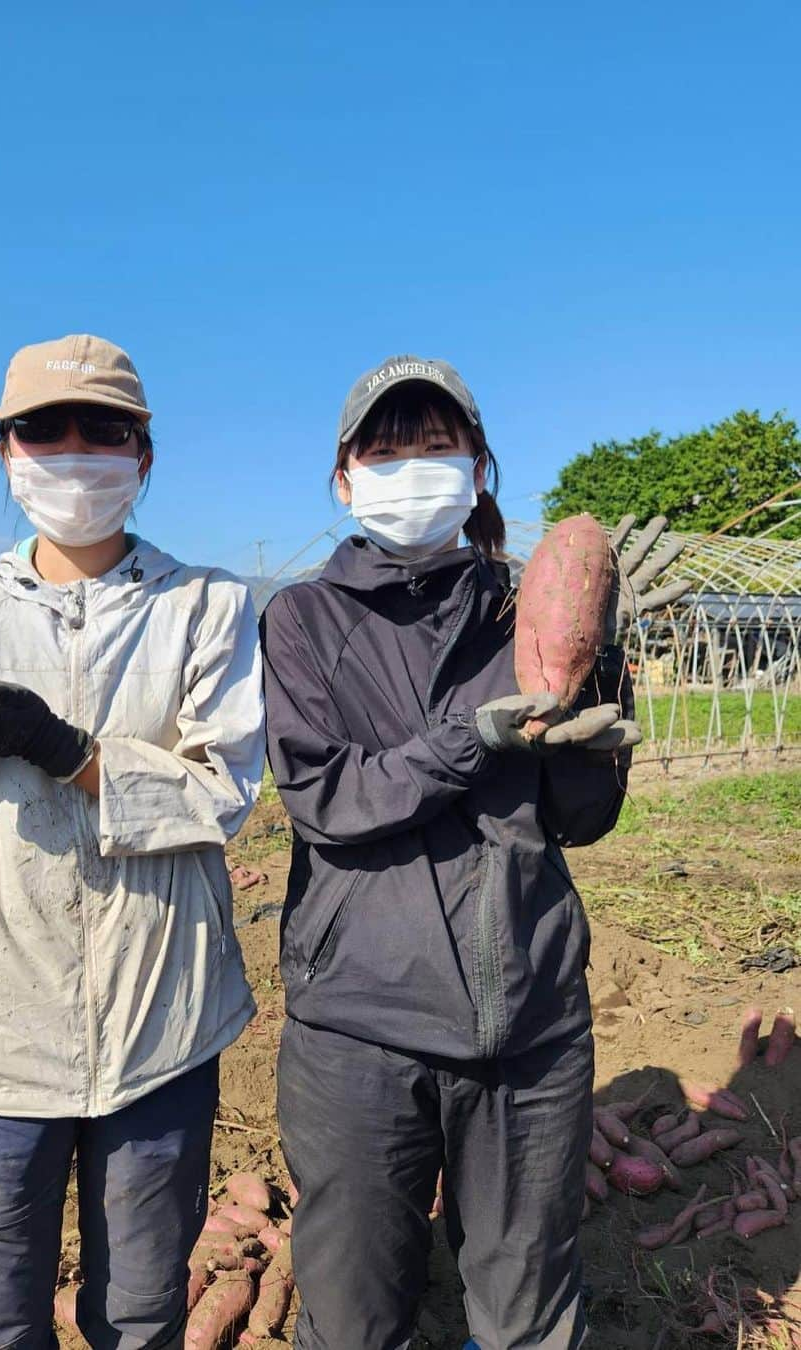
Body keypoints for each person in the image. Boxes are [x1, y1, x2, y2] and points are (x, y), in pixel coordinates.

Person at [0, 334, 265, 1350]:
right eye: (43, 429)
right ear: (6, 454)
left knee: (144, 1314)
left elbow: (223, 795)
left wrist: (60, 748)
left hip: (161, 1023)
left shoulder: (206, 605)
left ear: (144, 454)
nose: (74, 453)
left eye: (104, 430)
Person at [259, 356, 688, 1350]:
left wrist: (596, 698)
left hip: (530, 1030)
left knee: (530, 1316)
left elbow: (579, 823)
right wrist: (474, 738)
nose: (414, 465)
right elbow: (328, 798)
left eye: (438, 444)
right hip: (361, 1032)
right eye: (388, 447)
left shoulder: (522, 608)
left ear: (479, 468)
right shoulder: (305, 620)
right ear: (344, 478)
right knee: (356, 1319)